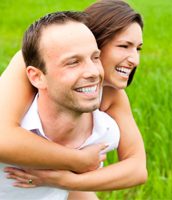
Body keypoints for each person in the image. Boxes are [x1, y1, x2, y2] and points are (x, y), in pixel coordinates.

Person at [0, 0, 147, 199]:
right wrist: (77, 160)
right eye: (124, 46)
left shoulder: (113, 95)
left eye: (138, 48)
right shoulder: (32, 63)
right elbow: (3, 137)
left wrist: (67, 181)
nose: (134, 60)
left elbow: (137, 168)